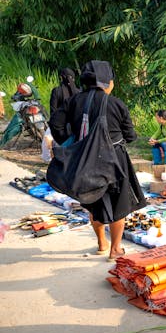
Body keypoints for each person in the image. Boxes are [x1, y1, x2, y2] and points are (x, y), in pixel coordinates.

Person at [50, 60, 146, 260]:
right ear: (107, 82)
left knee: (93, 200)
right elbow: (130, 135)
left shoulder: (74, 101)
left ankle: (102, 243)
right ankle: (115, 249)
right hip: (115, 160)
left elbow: (56, 124)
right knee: (119, 205)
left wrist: (73, 141)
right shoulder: (116, 103)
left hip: (85, 160)